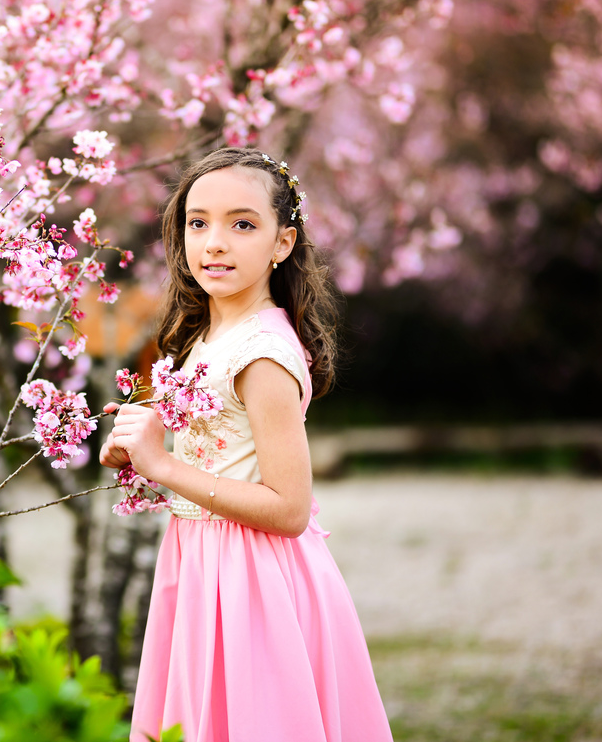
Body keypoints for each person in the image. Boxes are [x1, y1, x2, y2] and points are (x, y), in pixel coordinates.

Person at [101, 147, 394, 742]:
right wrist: (143, 448)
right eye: (198, 222)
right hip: (200, 563)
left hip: (252, 580)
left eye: (242, 225)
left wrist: (164, 464)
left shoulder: (263, 355)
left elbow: (288, 509)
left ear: (282, 243)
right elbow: (221, 449)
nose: (214, 243)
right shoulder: (209, 335)